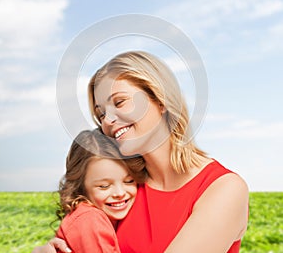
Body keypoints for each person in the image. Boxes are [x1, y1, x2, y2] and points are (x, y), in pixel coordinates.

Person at [33, 50, 248, 253]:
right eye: (101, 114)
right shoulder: (125, 190)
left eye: (120, 102)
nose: (108, 120)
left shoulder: (224, 189)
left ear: (160, 99)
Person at [36, 129, 143, 253]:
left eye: (129, 181)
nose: (119, 193)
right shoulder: (90, 220)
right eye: (104, 186)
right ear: (81, 186)